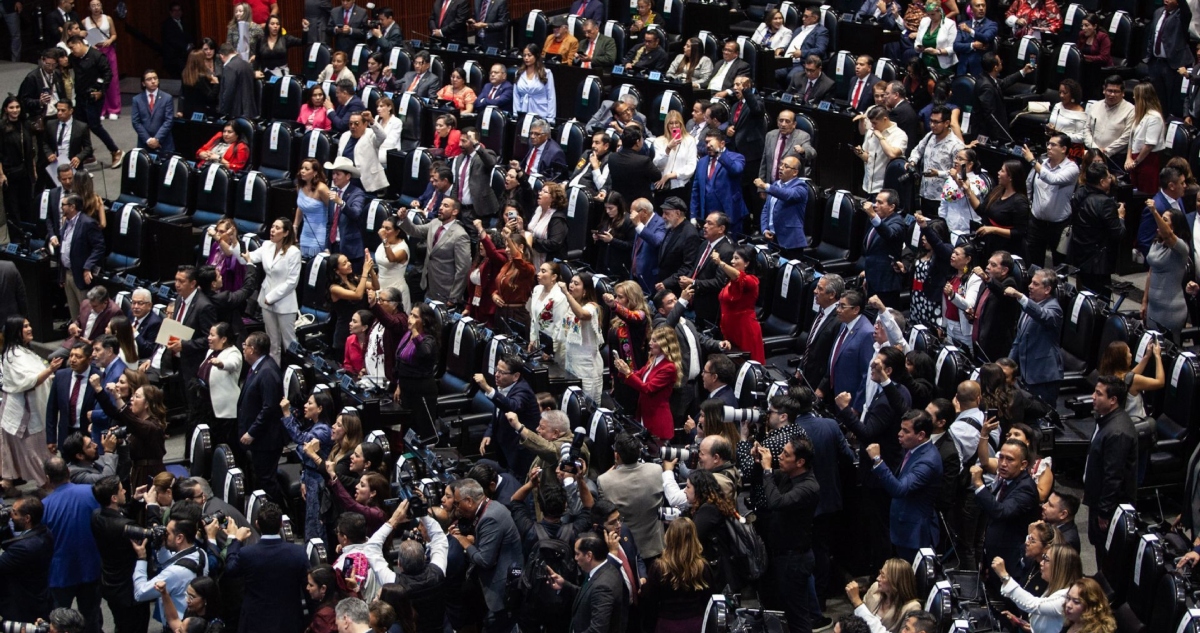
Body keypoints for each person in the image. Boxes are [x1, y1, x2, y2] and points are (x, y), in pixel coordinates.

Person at [223, 500, 311, 633]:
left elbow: (230, 569)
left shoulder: (247, 553)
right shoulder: (298, 553)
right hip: (289, 622)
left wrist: (235, 540)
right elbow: (308, 589)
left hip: (255, 623)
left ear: (257, 524)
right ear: (281, 524)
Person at [448, 478, 523, 632]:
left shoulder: (490, 518)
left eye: (457, 503)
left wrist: (465, 542)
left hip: (502, 590)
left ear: (469, 501)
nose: (456, 508)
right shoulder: (491, 506)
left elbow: (485, 560)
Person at [866, 410, 943, 561]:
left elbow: (900, 489)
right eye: (901, 428)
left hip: (914, 534)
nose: (899, 434)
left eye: (906, 431)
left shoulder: (927, 461)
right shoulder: (914, 450)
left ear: (921, 435)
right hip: (902, 528)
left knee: (909, 582)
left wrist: (877, 460)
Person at [41, 456, 103, 633]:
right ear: (68, 472)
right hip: (91, 567)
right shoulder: (92, 492)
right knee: (91, 618)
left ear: (47, 478)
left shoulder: (44, 506)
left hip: (60, 573)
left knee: (59, 622)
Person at [1083, 375, 1137, 566]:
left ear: (1113, 400)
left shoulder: (1117, 431)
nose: (1093, 397)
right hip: (1099, 501)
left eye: (1098, 394)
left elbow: (1113, 476)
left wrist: (1105, 512)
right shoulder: (1106, 421)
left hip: (1108, 507)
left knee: (1107, 555)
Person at [1, 317, 60, 490]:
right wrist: (50, 370)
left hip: (31, 408)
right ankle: (47, 484)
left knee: (32, 452)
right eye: (25, 326)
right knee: (36, 453)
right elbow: (28, 381)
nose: (29, 328)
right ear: (16, 331)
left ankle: (9, 483)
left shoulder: (24, 351)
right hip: (23, 414)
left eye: (29, 325)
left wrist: (50, 375)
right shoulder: (13, 355)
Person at [971, 439, 1042, 579]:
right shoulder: (1006, 480)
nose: (1003, 464)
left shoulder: (1025, 488)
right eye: (1001, 457)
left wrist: (979, 484)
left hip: (1011, 562)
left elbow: (1001, 512)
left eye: (1009, 459)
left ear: (1023, 465)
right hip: (995, 555)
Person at [236, 331, 285, 503]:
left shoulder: (267, 372)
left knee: (266, 479)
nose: (243, 348)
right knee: (261, 476)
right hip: (261, 438)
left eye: (245, 345)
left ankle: (281, 514)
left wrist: (252, 432)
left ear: (253, 349)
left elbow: (269, 408)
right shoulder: (258, 367)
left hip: (267, 439)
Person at [641, 517, 715, 632]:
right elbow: (709, 600)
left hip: (666, 625)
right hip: (695, 625)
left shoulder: (658, 568)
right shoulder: (702, 567)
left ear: (669, 537)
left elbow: (651, 602)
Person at [598, 433, 666, 558]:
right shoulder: (656, 470)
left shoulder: (604, 481)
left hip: (627, 550)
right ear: (639, 452)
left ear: (616, 455)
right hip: (656, 548)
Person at [545, 533, 629, 633]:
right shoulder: (607, 568)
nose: (575, 558)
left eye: (577, 554)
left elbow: (598, 630)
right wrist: (564, 585)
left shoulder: (603, 586)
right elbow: (589, 595)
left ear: (589, 555)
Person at [243, 219, 301, 364]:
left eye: (277, 228)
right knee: (272, 342)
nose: (272, 230)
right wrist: (233, 247)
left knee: (290, 343)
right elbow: (250, 257)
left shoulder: (294, 252)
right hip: (266, 300)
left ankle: (294, 374)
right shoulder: (267, 245)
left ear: (286, 233)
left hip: (285, 303)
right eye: (272, 226)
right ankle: (274, 374)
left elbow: (292, 281)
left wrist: (272, 297)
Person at [993, 542, 1082, 633]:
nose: (1041, 563)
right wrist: (1032, 627)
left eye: (1046, 559)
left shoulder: (1065, 598)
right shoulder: (1053, 588)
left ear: (1059, 567)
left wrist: (1005, 577)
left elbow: (1034, 605)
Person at [614, 326, 683, 443]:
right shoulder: (653, 359)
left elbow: (648, 388)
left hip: (657, 419)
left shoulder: (669, 367)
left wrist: (627, 373)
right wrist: (623, 371)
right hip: (644, 414)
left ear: (665, 344)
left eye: (655, 341)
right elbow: (639, 375)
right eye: (651, 339)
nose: (650, 343)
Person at [1004, 269, 1064, 404]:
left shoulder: (1054, 309)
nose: (1030, 286)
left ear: (1047, 289)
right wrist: (1007, 365)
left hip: (1044, 377)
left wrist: (1020, 297)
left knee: (1045, 416)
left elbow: (1043, 315)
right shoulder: (1029, 305)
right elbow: (1018, 341)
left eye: (1036, 284)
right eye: (1031, 282)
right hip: (1027, 374)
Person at [398, 199, 471, 306]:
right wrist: (404, 219)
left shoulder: (460, 235)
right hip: (428, 283)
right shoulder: (435, 223)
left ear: (455, 212)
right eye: (441, 204)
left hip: (445, 290)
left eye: (446, 206)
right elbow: (415, 230)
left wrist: (454, 297)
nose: (440, 207)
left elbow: (463, 269)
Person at [1068, 162, 1125, 294]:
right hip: (1098, 263)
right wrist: (1121, 217)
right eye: (1109, 177)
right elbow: (1119, 233)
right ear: (1102, 182)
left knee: (1084, 294)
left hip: (1080, 253)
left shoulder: (1079, 193)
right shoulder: (1105, 202)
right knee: (1100, 301)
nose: (1111, 180)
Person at [0, 495, 55, 624]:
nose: (11, 516)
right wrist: (4, 526)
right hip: (38, 595)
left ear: (27, 518)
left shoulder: (25, 547)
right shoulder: (44, 532)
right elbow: (11, 544)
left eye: (14, 513)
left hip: (22, 605)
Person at [1142, 203, 1193, 336]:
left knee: (1167, 350)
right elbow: (1151, 272)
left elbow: (1169, 236)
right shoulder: (1157, 243)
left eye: (1164, 220)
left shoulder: (1181, 248)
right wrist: (1144, 301)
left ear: (1174, 227)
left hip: (1171, 310)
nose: (1159, 222)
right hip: (1153, 307)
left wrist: (1154, 211)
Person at [394, 304, 440, 440]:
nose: (410, 319)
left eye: (415, 316)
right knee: (408, 431)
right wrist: (399, 385)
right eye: (410, 314)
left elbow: (424, 353)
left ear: (424, 321)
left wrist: (415, 332)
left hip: (422, 393)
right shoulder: (408, 334)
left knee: (423, 433)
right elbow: (400, 362)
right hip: (406, 390)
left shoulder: (429, 339)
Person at [844, 559, 921, 633]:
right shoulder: (875, 588)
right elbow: (858, 621)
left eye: (883, 576)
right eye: (880, 573)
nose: (878, 578)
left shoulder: (912, 607)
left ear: (895, 581)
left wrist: (857, 601)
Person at [757, 155, 809, 260]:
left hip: (791, 241)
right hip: (773, 239)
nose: (781, 168)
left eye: (786, 166)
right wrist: (764, 229)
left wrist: (766, 186)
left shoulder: (801, 187)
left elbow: (787, 195)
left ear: (795, 172)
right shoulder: (776, 185)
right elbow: (766, 209)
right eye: (781, 165)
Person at [854, 106, 908, 196]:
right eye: (871, 123)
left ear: (885, 119)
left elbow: (892, 154)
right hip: (868, 185)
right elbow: (868, 157)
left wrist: (880, 138)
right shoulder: (871, 131)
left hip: (885, 189)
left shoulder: (899, 135)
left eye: (875, 123)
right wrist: (860, 153)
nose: (873, 126)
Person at [1127, 83, 1166, 194]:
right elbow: (1132, 138)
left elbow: (1149, 145)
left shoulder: (1154, 117)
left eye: (1136, 95)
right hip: (1135, 159)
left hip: (1147, 160)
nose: (1133, 97)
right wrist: (1128, 158)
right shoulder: (1140, 115)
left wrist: (1136, 162)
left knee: (1145, 193)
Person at [130, 69, 174, 155]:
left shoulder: (167, 98)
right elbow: (136, 122)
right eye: (149, 79)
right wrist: (148, 140)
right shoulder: (137, 99)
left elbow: (169, 121)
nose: (153, 81)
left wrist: (157, 139)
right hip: (145, 143)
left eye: (155, 78)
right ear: (143, 83)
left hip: (164, 143)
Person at [216, 42, 259, 120]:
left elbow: (228, 91)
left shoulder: (229, 67)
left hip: (237, 112)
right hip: (250, 110)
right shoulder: (247, 64)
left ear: (222, 56)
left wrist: (223, 111)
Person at [514, 43, 555, 119]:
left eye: (529, 55)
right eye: (524, 55)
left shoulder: (546, 73)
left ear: (536, 56)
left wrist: (550, 118)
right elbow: (516, 96)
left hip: (541, 113)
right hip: (523, 114)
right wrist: (516, 115)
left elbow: (551, 97)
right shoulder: (518, 73)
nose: (526, 58)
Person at [180, 50, 219, 118]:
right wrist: (216, 83)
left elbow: (182, 94)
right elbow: (210, 97)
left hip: (188, 112)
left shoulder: (185, 74)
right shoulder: (201, 78)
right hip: (200, 113)